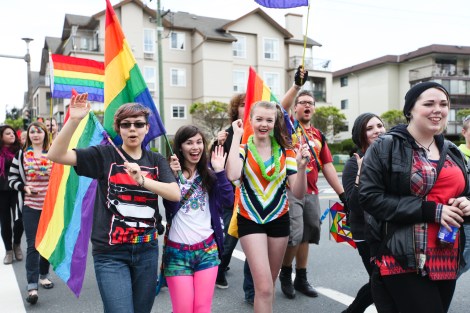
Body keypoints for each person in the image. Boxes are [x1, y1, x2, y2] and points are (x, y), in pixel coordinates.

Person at [47, 93, 181, 313]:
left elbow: (174, 194)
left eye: (138, 124)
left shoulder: (156, 161)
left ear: (147, 128)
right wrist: (74, 120)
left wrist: (142, 180)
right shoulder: (104, 154)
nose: (132, 129)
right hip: (110, 254)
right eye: (126, 124)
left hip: (146, 250)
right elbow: (56, 154)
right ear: (118, 129)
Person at [359, 82, 470, 313]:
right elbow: (369, 198)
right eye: (428, 104)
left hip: (446, 254)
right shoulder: (385, 146)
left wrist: (467, 203)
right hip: (402, 256)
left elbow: (465, 191)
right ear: (410, 109)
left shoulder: (452, 151)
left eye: (443, 104)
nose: (437, 109)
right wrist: (431, 210)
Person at [226, 100, 309, 312]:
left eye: (269, 120)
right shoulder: (243, 150)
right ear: (251, 121)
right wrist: (236, 137)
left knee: (269, 287)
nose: (264, 124)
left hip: (279, 220)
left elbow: (298, 192)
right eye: (259, 119)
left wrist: (301, 168)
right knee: (262, 288)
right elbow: (233, 174)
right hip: (250, 219)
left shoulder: (286, 153)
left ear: (275, 122)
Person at [279, 69, 346, 299]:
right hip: (290, 190)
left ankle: (302, 278)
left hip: (312, 191)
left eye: (310, 103)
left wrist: (342, 194)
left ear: (314, 109)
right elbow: (280, 107)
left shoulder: (318, 135)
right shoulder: (288, 127)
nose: (307, 105)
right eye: (302, 102)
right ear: (295, 108)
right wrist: (297, 86)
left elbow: (327, 165)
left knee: (309, 233)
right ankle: (285, 274)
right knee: (295, 234)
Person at [162, 125, 234, 313]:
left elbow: (229, 200)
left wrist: (220, 171)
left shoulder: (209, 173)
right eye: (189, 143)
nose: (195, 147)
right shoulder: (170, 174)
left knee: (202, 309)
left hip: (207, 251)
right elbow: (169, 208)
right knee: (183, 309)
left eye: (199, 142)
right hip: (177, 253)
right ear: (179, 147)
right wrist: (174, 177)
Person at [211, 93, 255, 304]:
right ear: (235, 109)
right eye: (243, 105)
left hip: (255, 196)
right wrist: (216, 142)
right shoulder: (228, 133)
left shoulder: (260, 130)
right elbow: (215, 160)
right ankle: (219, 268)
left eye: (250, 105)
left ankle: (251, 288)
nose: (246, 108)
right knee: (230, 236)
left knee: (252, 242)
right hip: (232, 195)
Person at [341, 114, 386, 313]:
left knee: (384, 280)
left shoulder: (390, 156)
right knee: (380, 280)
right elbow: (355, 206)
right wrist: (361, 173)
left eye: (380, 125)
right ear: (361, 134)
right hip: (365, 232)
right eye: (370, 128)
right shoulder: (354, 163)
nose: (377, 130)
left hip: (390, 229)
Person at [8, 122, 54, 305]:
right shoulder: (21, 155)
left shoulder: (53, 154)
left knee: (47, 243)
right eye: (32, 132)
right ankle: (32, 286)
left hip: (50, 206)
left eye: (39, 131)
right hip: (30, 206)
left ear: (45, 134)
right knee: (33, 245)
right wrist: (24, 187)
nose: (35, 134)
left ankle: (44, 275)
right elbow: (12, 179)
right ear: (28, 135)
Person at [0, 125, 23, 265]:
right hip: (1, 192)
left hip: (17, 190)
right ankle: (8, 250)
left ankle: (17, 244)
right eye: (8, 133)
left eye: (13, 133)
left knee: (19, 221)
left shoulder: (20, 151)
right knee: (5, 222)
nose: (12, 135)